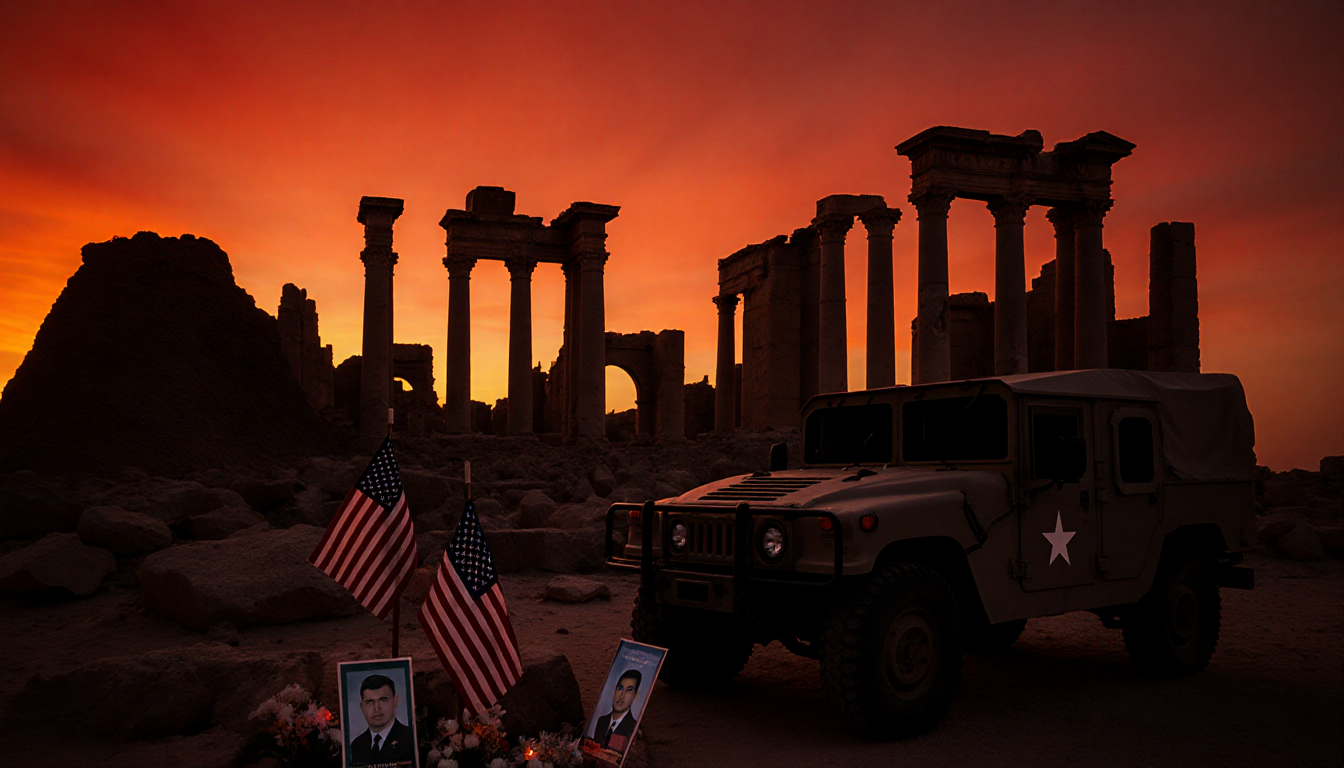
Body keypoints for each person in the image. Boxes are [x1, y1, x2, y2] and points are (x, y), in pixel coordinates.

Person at [348, 674, 415, 766]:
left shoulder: (410, 738)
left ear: (395, 701)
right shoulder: (357, 745)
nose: (376, 708)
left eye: (383, 699)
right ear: (362, 707)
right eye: (369, 702)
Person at [589, 669, 642, 753]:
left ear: (635, 696)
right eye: (620, 688)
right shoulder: (602, 720)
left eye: (629, 690)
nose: (621, 696)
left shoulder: (633, 727)